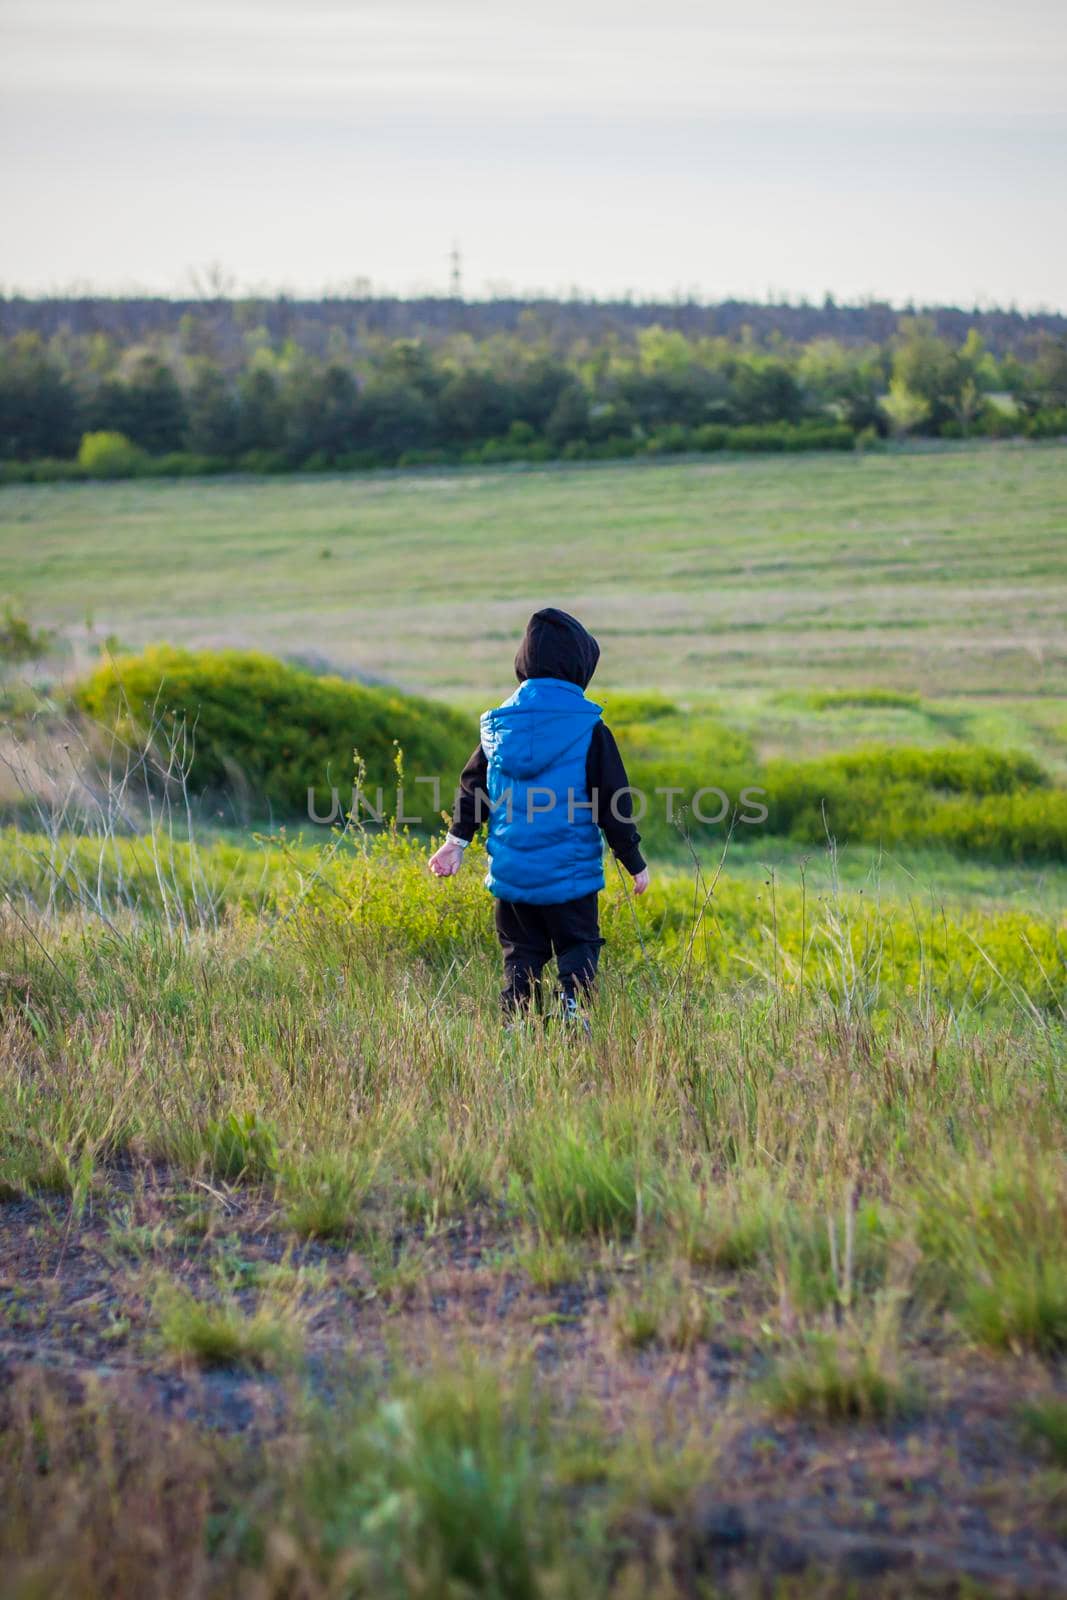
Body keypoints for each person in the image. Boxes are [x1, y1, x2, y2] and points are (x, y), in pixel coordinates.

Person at [428, 607, 649, 1020]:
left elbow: (472, 787)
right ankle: (573, 1016)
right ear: (579, 667)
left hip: (513, 877)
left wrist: (454, 843)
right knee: (578, 946)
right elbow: (613, 802)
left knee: (522, 954)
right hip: (571, 878)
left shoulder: (498, 729)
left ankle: (517, 1027)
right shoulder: (589, 729)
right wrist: (633, 860)